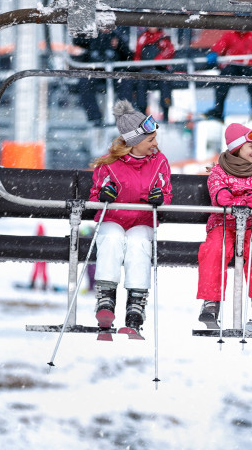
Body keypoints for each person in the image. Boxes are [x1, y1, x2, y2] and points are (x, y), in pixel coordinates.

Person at [89, 99, 173, 336]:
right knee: (111, 237)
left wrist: (160, 198)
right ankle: (106, 296)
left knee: (138, 243)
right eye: (150, 140)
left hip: (141, 220)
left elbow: (167, 193)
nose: (155, 144)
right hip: (114, 217)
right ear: (134, 142)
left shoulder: (159, 162)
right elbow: (96, 194)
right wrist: (104, 195)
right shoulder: (111, 164)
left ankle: (136, 300)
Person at [196, 123, 252, 329]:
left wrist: (238, 199)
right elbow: (220, 197)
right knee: (215, 249)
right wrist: (242, 198)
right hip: (222, 224)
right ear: (237, 148)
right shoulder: (218, 172)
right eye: (251, 146)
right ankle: (211, 301)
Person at [72, 29, 133, 125]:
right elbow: (77, 42)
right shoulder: (91, 36)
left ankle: (123, 116)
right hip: (96, 70)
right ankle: (94, 117)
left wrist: (119, 45)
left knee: (125, 82)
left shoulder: (118, 36)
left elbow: (129, 55)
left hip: (115, 70)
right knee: (85, 82)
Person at [132, 27, 176, 122]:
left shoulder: (163, 37)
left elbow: (169, 51)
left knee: (165, 83)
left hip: (160, 69)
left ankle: (166, 111)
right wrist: (139, 64)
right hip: (145, 70)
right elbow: (137, 54)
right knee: (141, 83)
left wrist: (156, 61)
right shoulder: (143, 38)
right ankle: (142, 111)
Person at [29, 223, 49, 290]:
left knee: (35, 270)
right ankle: (45, 285)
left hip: (37, 257)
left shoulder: (36, 238)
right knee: (44, 271)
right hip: (44, 257)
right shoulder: (45, 237)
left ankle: (33, 283)